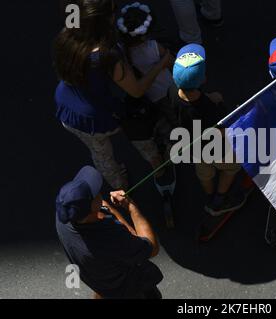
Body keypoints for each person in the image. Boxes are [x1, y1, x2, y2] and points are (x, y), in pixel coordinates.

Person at [53, 0, 173, 190]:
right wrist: (161, 63)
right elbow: (136, 89)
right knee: (140, 134)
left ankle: (120, 185)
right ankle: (159, 168)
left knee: (101, 154)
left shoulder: (66, 36)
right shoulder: (108, 55)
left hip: (67, 110)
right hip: (99, 115)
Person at [56, 166, 162, 299]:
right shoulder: (110, 239)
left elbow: (101, 206)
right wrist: (130, 206)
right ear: (93, 208)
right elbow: (151, 247)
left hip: (100, 281)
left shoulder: (64, 217)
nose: (99, 191)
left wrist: (107, 208)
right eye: (95, 194)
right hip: (129, 291)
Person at [172, 44, 245, 215]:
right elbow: (222, 131)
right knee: (231, 168)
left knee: (204, 174)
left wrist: (209, 97)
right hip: (217, 150)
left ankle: (209, 194)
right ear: (203, 78)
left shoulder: (172, 94)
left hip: (194, 149)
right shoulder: (213, 109)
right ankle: (219, 199)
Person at [117, 2, 177, 189]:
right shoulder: (153, 47)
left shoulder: (121, 52)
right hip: (166, 90)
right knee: (174, 117)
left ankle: (164, 142)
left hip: (149, 98)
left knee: (159, 120)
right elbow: (172, 63)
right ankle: (174, 146)